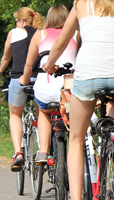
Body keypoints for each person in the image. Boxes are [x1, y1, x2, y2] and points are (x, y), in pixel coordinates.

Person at [42, 0, 114, 198]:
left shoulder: (81, 5)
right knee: (112, 99)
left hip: (87, 76)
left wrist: (50, 64)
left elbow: (61, 43)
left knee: (76, 138)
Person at [18, 4, 80, 164]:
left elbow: (29, 64)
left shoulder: (40, 34)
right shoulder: (75, 35)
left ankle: (43, 151)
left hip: (47, 89)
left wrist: (24, 80)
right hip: (69, 90)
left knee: (44, 111)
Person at [0, 7, 43, 172]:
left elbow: (6, 57)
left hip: (18, 79)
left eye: (17, 21)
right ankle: (42, 150)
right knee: (42, 114)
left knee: (15, 114)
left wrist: (0, 71)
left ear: (22, 21)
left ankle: (18, 153)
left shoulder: (13, 33)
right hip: (40, 78)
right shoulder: (41, 32)